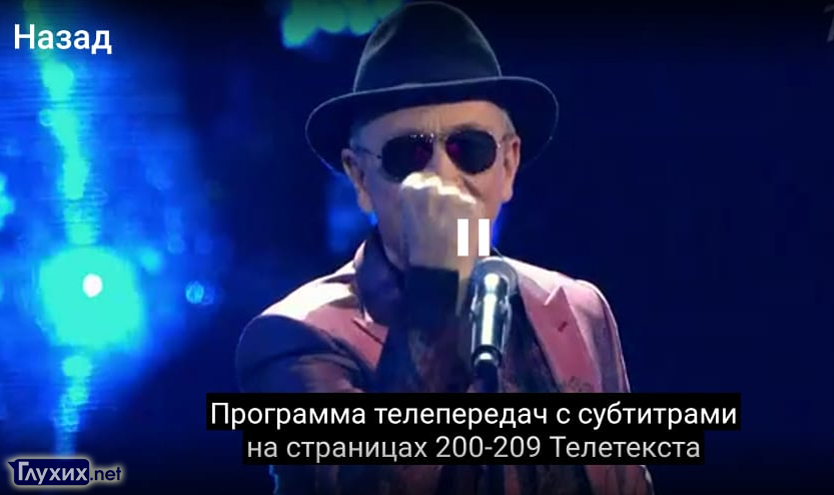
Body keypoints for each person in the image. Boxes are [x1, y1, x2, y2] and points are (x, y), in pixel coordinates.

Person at [235, 2, 654, 494]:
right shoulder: (294, 336)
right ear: (360, 177)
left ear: (508, 165)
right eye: (407, 154)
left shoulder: (579, 309)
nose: (442, 176)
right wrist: (435, 287)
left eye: (469, 148)